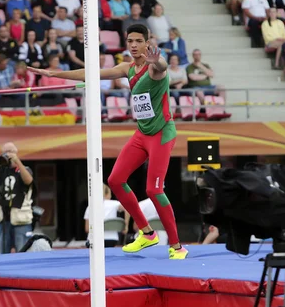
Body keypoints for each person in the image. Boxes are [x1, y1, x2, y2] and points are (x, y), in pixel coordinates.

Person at [29, 24, 188, 259]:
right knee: (115, 180)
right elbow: (91, 73)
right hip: (142, 133)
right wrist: (55, 74)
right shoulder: (127, 68)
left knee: (153, 189)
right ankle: (147, 234)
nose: (133, 45)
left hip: (162, 133)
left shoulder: (155, 69)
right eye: (130, 41)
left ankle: (176, 246)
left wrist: (158, 60)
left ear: (147, 42)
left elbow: (161, 68)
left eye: (138, 41)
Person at [0, 142, 35, 254]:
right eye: (5, 152)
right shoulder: (0, 171)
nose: (8, 154)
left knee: (23, 252)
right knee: (1, 253)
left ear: (16, 153)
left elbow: (28, 180)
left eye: (11, 151)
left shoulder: (24, 169)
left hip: (21, 220)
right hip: (3, 220)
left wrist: (17, 162)